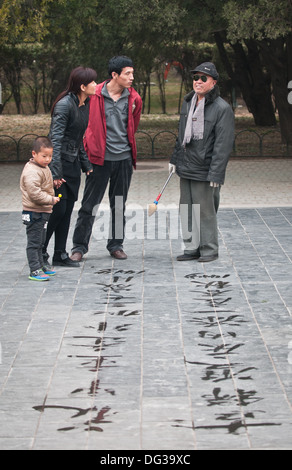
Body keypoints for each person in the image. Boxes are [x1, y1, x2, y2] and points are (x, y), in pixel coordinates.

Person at [70, 56, 142, 262]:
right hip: (98, 159)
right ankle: (79, 247)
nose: (131, 77)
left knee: (119, 204)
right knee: (89, 205)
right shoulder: (94, 94)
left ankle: (116, 245)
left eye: (132, 73)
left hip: (124, 160)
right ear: (114, 75)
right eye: (127, 73)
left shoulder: (134, 99)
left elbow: (132, 127)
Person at [169, 62, 234, 262]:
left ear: (213, 82)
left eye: (203, 78)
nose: (198, 81)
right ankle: (191, 248)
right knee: (187, 209)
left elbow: (223, 145)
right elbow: (181, 136)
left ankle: (209, 249)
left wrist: (216, 174)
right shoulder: (188, 102)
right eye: (195, 77)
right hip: (186, 166)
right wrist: (174, 159)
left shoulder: (222, 108)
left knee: (205, 211)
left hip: (205, 169)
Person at [42, 66, 97, 267]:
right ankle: (40, 251)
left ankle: (59, 254)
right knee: (59, 210)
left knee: (67, 210)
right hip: (60, 164)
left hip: (73, 163)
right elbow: (55, 140)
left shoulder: (85, 104)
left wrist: (85, 163)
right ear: (82, 86)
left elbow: (78, 137)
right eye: (92, 82)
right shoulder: (65, 105)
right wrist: (55, 172)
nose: (95, 85)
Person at [20, 136, 60, 281]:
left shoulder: (43, 167)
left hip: (42, 212)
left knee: (40, 241)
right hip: (34, 212)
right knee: (34, 242)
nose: (48, 159)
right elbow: (34, 193)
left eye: (50, 156)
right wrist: (51, 199)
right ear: (34, 154)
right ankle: (34, 269)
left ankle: (41, 265)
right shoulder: (32, 171)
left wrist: (53, 185)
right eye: (44, 156)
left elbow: (43, 185)